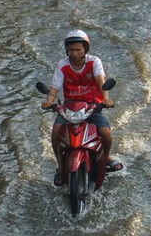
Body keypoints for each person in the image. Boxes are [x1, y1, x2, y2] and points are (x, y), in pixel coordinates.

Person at [41, 28, 121, 187]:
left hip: (92, 106)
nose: (74, 53)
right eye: (71, 50)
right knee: (56, 131)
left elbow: (100, 79)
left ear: (85, 49)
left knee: (105, 132)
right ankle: (61, 167)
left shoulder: (94, 62)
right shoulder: (62, 65)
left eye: (78, 49)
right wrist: (49, 101)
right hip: (70, 106)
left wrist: (106, 99)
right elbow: (55, 87)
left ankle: (106, 158)